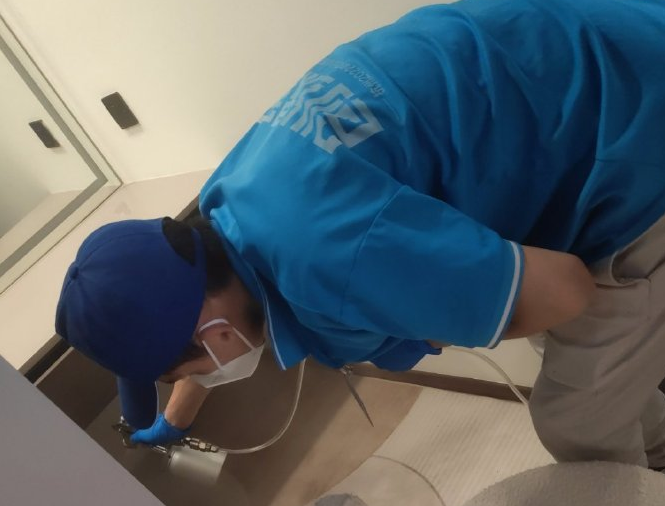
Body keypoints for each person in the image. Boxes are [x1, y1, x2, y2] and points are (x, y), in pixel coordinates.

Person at [56, 0, 665, 467]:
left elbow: (567, 289)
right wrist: (176, 416)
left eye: (180, 373)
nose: (196, 377)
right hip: (578, 42)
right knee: (587, 364)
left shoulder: (329, 259)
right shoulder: (232, 195)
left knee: (577, 422)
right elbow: (197, 321)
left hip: (635, 121)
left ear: (213, 337)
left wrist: (435, 314)